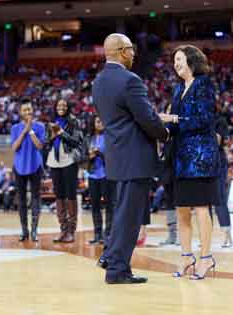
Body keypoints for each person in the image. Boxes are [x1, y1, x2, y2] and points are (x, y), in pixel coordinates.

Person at [92, 33, 168, 284]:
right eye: (131, 49)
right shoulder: (130, 80)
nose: (135, 54)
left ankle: (112, 259)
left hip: (116, 155)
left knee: (123, 212)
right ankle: (116, 268)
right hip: (135, 156)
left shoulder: (99, 81)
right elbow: (145, 118)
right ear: (122, 51)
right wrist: (165, 133)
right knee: (129, 215)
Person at [160, 45, 220, 280]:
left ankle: (206, 258)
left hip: (200, 157)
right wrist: (163, 124)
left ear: (192, 61)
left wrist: (174, 118)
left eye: (180, 59)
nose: (176, 64)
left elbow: (205, 118)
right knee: (182, 207)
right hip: (180, 158)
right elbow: (176, 125)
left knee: (202, 208)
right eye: (174, 60)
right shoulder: (178, 89)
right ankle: (187, 256)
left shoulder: (203, 84)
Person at [46, 99, 83, 243]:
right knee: (59, 195)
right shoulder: (50, 122)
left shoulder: (74, 121)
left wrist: (61, 133)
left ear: (68, 108)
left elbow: (76, 141)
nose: (61, 107)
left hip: (69, 160)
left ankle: (71, 232)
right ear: (55, 107)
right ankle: (63, 230)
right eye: (58, 105)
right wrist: (52, 136)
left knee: (70, 195)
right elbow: (45, 142)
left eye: (64, 105)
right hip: (54, 161)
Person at [10, 99, 45, 242]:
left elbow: (39, 146)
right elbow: (14, 147)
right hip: (19, 167)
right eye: (25, 110)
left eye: (29, 109)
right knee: (22, 200)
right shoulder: (15, 128)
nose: (28, 112)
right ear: (20, 112)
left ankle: (34, 230)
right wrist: (24, 131)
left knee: (36, 198)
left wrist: (30, 131)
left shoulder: (40, 126)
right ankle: (24, 230)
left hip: (35, 166)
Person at [86, 115, 116, 244]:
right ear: (93, 123)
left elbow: (114, 156)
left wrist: (100, 153)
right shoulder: (88, 139)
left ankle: (108, 234)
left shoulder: (110, 137)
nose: (100, 123)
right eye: (97, 121)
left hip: (107, 175)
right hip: (92, 175)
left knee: (109, 205)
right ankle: (97, 234)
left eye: (102, 120)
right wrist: (90, 156)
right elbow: (82, 156)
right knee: (95, 206)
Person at [214, 108, 233, 248]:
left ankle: (226, 235)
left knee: (220, 200)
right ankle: (205, 237)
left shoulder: (219, 120)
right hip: (199, 162)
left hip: (217, 162)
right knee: (203, 203)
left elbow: (218, 141)